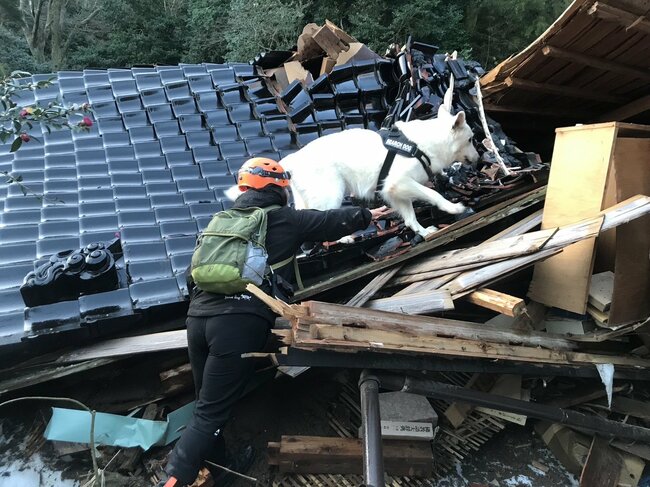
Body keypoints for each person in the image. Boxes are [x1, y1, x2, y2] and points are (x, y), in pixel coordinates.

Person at [159, 157, 390, 487]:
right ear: (277, 190)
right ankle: (172, 480)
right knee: (210, 414)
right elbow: (329, 221)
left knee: (206, 406)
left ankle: (222, 469)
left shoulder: (221, 221)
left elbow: (191, 276)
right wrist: (368, 214)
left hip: (197, 320)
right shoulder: (284, 219)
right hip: (238, 324)